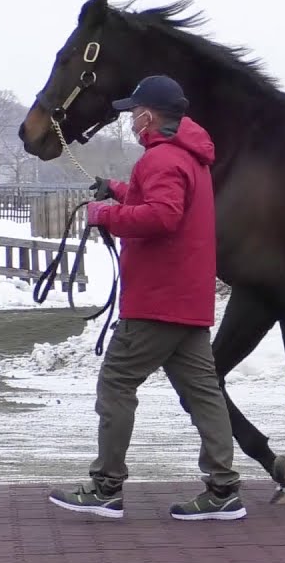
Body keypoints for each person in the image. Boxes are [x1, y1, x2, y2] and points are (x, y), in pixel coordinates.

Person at [47, 75, 245, 521]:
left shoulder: (160, 160)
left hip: (156, 301)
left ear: (149, 115)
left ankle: (106, 487)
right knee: (204, 394)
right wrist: (116, 191)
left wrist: (106, 214)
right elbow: (166, 203)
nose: (132, 119)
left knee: (116, 384)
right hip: (189, 301)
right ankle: (222, 489)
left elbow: (162, 215)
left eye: (134, 111)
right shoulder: (191, 159)